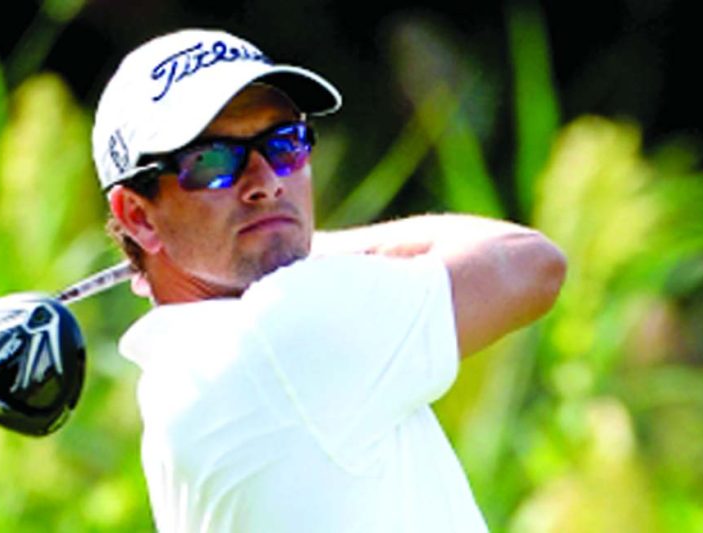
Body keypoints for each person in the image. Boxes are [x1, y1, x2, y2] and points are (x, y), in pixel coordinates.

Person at [91, 28, 566, 532]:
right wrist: (294, 241)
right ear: (139, 218)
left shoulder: (179, 373)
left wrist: (267, 239)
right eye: (213, 162)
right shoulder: (281, 332)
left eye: (284, 143)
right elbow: (529, 263)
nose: (268, 182)